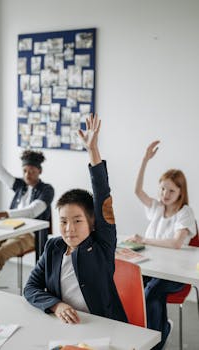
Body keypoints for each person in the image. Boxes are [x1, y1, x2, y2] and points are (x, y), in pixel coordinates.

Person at [24, 114, 127, 324]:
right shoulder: (53, 247)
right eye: (63, 221)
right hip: (66, 327)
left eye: (77, 220)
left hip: (104, 327)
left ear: (92, 222)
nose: (69, 228)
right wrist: (56, 304)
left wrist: (93, 151)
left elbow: (102, 196)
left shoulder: (102, 245)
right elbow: (30, 288)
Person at [128, 140, 197, 350]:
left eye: (171, 191)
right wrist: (145, 160)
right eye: (162, 189)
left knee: (151, 292)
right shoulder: (157, 207)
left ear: (180, 193)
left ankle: (156, 341)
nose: (165, 195)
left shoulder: (185, 212)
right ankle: (157, 329)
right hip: (153, 266)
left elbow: (176, 243)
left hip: (175, 273)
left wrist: (144, 240)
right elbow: (137, 190)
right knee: (131, 286)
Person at [0, 139, 54, 286]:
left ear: (40, 171)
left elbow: (33, 211)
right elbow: (2, 174)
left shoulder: (47, 190)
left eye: (32, 171)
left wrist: (5, 214)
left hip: (30, 235)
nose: (28, 174)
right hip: (8, 228)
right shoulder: (20, 186)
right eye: (25, 171)